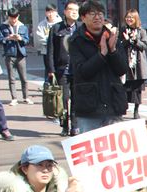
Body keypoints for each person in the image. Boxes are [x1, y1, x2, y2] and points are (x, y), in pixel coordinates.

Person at [70, 1, 128, 133]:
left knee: (115, 151)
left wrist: (112, 50)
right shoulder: (76, 41)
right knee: (92, 151)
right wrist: (101, 54)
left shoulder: (112, 37)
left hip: (113, 104)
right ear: (83, 18)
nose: (97, 17)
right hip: (89, 107)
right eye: (92, 14)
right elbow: (82, 71)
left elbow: (122, 69)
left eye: (100, 13)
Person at [48, 1, 81, 136]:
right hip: (62, 70)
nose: (74, 12)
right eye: (71, 10)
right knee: (64, 99)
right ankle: (65, 126)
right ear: (65, 12)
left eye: (76, 10)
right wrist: (51, 69)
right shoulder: (56, 28)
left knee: (76, 99)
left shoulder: (81, 28)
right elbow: (50, 50)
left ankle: (75, 126)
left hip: (78, 70)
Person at [0, 8, 32, 105]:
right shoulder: (3, 27)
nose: (13, 20)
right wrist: (7, 38)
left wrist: (20, 38)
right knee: (11, 78)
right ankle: (14, 98)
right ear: (8, 17)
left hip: (21, 55)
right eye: (11, 18)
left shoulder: (23, 27)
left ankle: (26, 97)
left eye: (15, 18)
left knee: (24, 78)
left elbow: (26, 40)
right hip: (9, 54)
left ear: (18, 16)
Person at [121, 9, 147, 120]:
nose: (129, 19)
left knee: (137, 89)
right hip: (126, 63)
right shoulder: (123, 30)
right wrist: (127, 40)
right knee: (125, 87)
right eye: (127, 17)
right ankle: (123, 108)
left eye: (131, 17)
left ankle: (136, 111)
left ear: (136, 18)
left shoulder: (141, 31)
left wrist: (135, 40)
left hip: (138, 64)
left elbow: (144, 46)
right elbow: (120, 44)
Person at [35, 4, 62, 80]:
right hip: (46, 51)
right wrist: (51, 41)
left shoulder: (61, 23)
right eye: (48, 12)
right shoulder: (41, 24)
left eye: (52, 12)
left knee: (60, 70)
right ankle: (48, 88)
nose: (50, 14)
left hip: (59, 51)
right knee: (48, 70)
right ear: (45, 13)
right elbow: (40, 37)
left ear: (56, 12)